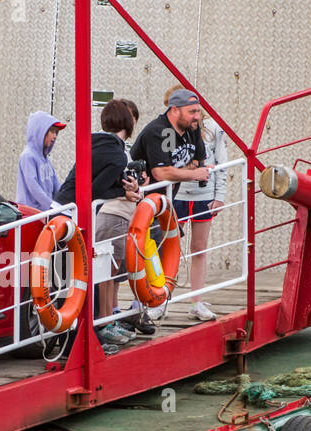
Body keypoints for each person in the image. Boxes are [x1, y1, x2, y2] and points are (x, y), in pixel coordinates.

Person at [53, 98, 145, 352]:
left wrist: (123, 189)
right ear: (128, 123)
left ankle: (80, 337)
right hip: (70, 218)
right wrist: (124, 192)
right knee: (80, 278)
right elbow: (93, 190)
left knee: (72, 280)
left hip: (60, 211)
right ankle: (85, 339)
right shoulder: (115, 154)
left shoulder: (95, 144)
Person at [130, 87, 217, 322]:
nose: (197, 117)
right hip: (139, 200)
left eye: (198, 111)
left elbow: (198, 160)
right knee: (148, 251)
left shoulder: (191, 129)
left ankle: (162, 301)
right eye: (192, 112)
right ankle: (144, 304)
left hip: (164, 200)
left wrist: (181, 171)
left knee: (166, 248)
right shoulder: (159, 131)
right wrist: (192, 173)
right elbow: (159, 172)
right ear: (174, 110)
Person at [162, 83, 227, 321]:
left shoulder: (212, 129)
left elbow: (221, 163)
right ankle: (161, 300)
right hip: (177, 195)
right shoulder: (168, 130)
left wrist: (219, 197)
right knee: (168, 248)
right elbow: (165, 165)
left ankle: (197, 301)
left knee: (199, 248)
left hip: (203, 196)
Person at [15, 111, 65, 210]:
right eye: (52, 131)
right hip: (29, 214)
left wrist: (65, 198)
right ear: (40, 131)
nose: (55, 136)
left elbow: (55, 183)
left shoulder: (45, 158)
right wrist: (51, 205)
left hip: (43, 213)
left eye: (56, 132)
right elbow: (33, 187)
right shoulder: (28, 156)